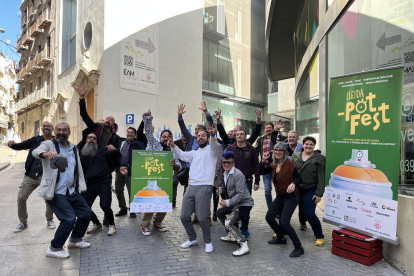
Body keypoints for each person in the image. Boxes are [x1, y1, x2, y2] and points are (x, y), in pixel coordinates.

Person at [33, 122, 91, 258]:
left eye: (64, 130)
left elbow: (77, 169)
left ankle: (75, 240)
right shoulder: (49, 144)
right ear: (55, 131)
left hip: (72, 191)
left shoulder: (73, 148)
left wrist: (78, 186)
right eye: (58, 130)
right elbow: (36, 152)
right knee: (69, 219)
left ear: (69, 132)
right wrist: (46, 154)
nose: (61, 132)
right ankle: (54, 248)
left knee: (86, 214)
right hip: (56, 192)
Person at [169, 122, 223, 253]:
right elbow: (182, 155)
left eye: (203, 135)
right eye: (198, 136)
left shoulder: (212, 151)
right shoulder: (194, 153)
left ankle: (208, 241)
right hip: (191, 186)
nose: (200, 137)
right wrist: (173, 146)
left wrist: (213, 136)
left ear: (207, 138)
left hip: (205, 186)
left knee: (202, 217)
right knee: (184, 216)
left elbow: (216, 146)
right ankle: (192, 238)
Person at [141, 109, 181, 236]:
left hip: (166, 180)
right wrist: (147, 119)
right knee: (151, 203)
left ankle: (157, 222)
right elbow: (148, 132)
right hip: (152, 179)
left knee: (164, 203)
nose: (166, 138)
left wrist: (174, 165)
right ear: (160, 138)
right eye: (164, 136)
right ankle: (144, 225)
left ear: (172, 138)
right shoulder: (154, 145)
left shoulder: (175, 150)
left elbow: (179, 167)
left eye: (169, 136)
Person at [10, 121, 56, 233]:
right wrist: (12, 144)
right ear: (42, 128)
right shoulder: (35, 140)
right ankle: (23, 222)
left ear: (52, 129)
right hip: (31, 174)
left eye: (48, 126)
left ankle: (50, 219)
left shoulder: (56, 142)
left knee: (49, 198)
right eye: (44, 126)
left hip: (47, 175)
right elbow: (21, 146)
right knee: (21, 198)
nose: (46, 128)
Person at [262, 142, 304, 258]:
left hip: (291, 197)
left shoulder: (289, 164)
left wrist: (294, 183)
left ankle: (299, 247)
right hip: (280, 196)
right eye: (276, 150)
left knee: (284, 222)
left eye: (280, 150)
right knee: (269, 217)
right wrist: (262, 161)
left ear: (285, 152)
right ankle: (281, 238)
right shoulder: (275, 164)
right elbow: (261, 171)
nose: (278, 152)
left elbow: (299, 179)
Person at [177, 102, 215, 224]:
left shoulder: (210, 144)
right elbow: (183, 128)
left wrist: (206, 112)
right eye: (196, 130)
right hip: (191, 172)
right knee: (190, 197)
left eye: (199, 130)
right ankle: (196, 215)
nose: (197, 132)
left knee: (204, 197)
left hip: (204, 173)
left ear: (205, 134)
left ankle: (206, 216)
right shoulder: (192, 139)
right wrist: (179, 117)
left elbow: (212, 127)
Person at [78, 131, 121, 236]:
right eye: (89, 137)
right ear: (86, 140)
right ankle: (96, 223)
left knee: (105, 205)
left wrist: (115, 150)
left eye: (94, 138)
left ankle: (112, 225)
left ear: (97, 141)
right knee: (85, 207)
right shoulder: (82, 153)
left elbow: (117, 156)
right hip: (89, 184)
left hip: (104, 183)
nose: (91, 139)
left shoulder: (103, 150)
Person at [216, 151, 253, 257]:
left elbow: (241, 195)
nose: (226, 164)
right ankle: (231, 235)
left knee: (228, 222)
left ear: (233, 163)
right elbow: (228, 188)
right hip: (235, 203)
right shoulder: (225, 173)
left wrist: (227, 202)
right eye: (224, 162)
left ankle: (243, 245)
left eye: (228, 162)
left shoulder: (238, 174)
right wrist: (220, 190)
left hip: (243, 204)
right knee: (219, 213)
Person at [291, 136, 325, 246]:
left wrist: (319, 193)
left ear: (314, 146)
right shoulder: (295, 155)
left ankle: (319, 236)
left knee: (309, 213)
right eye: (306, 144)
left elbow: (321, 177)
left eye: (311, 144)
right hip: (296, 188)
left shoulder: (319, 158)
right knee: (287, 210)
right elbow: (288, 170)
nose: (308, 146)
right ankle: (283, 231)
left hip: (310, 189)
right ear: (303, 144)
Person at [225, 129, 259, 238]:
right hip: (231, 183)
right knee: (233, 206)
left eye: (242, 134)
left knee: (245, 207)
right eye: (237, 134)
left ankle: (245, 228)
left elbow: (256, 165)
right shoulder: (230, 148)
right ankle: (233, 226)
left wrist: (257, 181)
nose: (239, 136)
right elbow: (225, 163)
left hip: (247, 182)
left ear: (245, 136)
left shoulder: (252, 149)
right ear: (235, 136)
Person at [114, 127, 145, 218]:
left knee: (131, 191)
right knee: (118, 190)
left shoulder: (139, 144)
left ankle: (132, 209)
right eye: (128, 132)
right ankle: (123, 208)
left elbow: (140, 158)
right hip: (119, 169)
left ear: (135, 135)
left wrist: (131, 169)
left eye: (132, 133)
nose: (129, 134)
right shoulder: (121, 142)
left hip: (130, 170)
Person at [256, 120, 284, 209]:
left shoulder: (279, 138)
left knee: (279, 189)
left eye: (270, 128)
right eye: (266, 128)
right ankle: (271, 208)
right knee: (268, 190)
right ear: (264, 129)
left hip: (277, 166)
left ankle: (279, 209)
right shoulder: (260, 139)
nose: (268, 129)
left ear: (273, 129)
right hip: (266, 166)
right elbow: (256, 152)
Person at [173, 133, 188, 208]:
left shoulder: (190, 142)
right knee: (174, 182)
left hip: (187, 167)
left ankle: (185, 202)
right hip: (178, 166)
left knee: (187, 185)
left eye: (184, 133)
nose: (183, 135)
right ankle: (173, 201)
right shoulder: (176, 143)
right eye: (182, 133)